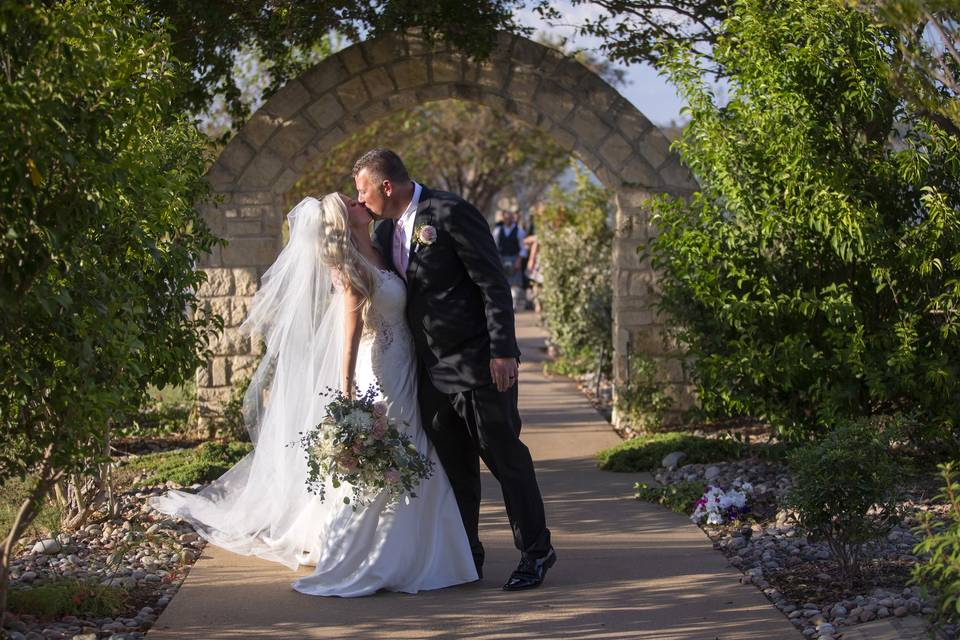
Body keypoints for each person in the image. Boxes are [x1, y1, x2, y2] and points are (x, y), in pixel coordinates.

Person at [149, 194, 478, 596]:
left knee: (414, 444)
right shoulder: (352, 267)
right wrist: (347, 387)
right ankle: (372, 549)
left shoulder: (380, 245)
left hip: (404, 361)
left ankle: (425, 548)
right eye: (353, 203)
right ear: (344, 220)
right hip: (379, 368)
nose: (362, 203)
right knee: (391, 447)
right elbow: (350, 332)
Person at [356, 148, 556, 591]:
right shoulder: (385, 228)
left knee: (506, 459)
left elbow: (492, 283)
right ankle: (467, 556)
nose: (360, 198)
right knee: (454, 471)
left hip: (479, 365)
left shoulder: (449, 212)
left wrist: (503, 351)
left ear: (385, 186)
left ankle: (536, 551)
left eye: (363, 189)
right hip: (430, 374)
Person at [492, 209, 527, 311]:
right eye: (506, 217)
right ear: (503, 218)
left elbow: (523, 249)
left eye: (510, 217)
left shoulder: (519, 231)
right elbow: (494, 247)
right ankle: (503, 305)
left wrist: (518, 261)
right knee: (502, 283)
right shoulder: (497, 231)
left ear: (513, 218)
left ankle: (513, 305)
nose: (508, 219)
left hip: (514, 258)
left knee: (514, 285)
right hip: (501, 258)